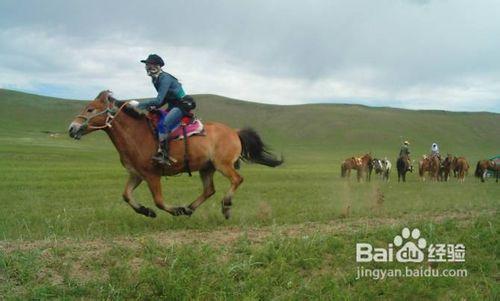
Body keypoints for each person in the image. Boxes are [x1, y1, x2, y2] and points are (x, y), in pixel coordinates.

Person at [130, 54, 196, 165]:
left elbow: (159, 99)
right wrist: (154, 107)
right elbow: (163, 99)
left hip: (183, 104)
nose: (147, 67)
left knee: (165, 124)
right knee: (155, 120)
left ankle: (164, 155)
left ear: (157, 66)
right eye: (146, 65)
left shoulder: (165, 78)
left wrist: (139, 105)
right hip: (173, 104)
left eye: (149, 64)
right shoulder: (155, 79)